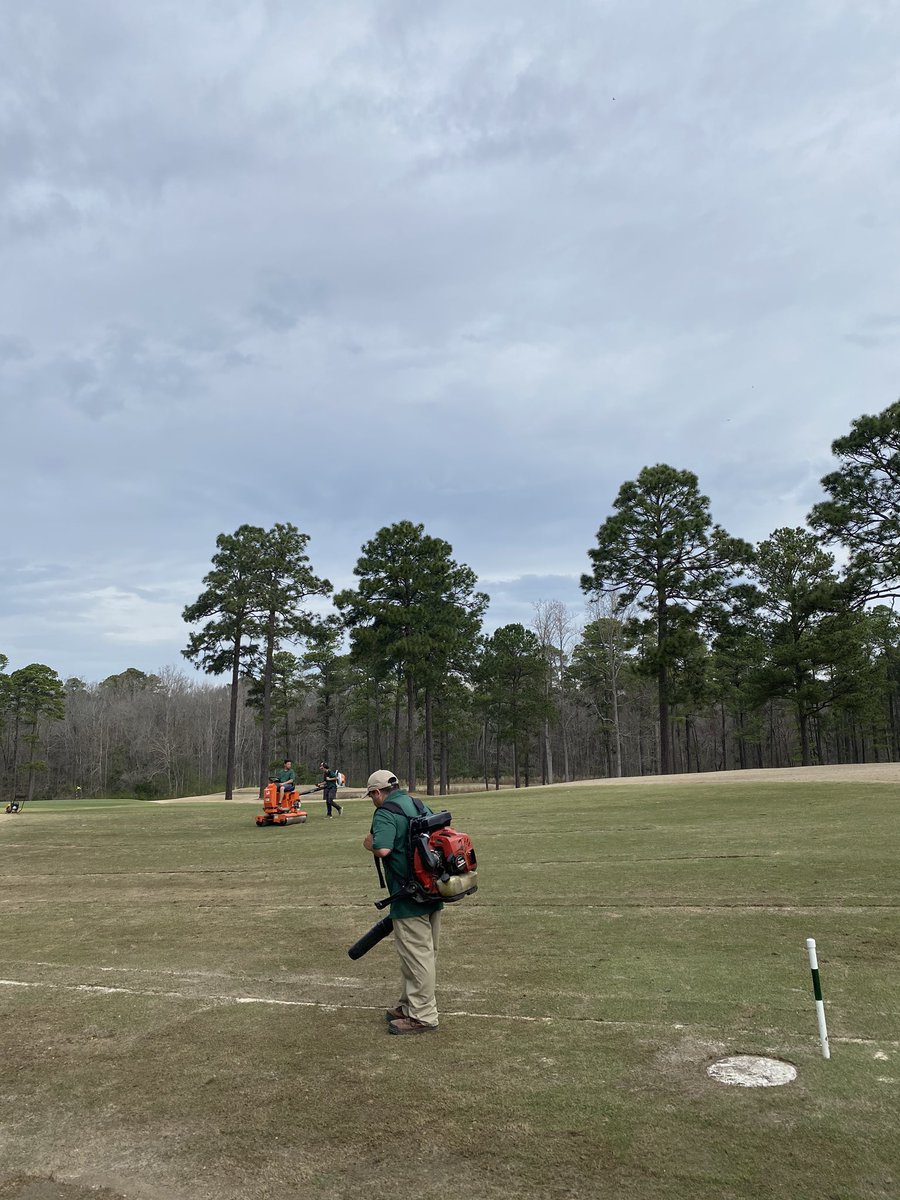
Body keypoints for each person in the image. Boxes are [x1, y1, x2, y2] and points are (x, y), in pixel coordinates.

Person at [362, 769, 442, 1035]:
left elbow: (383, 848)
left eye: (371, 796)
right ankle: (409, 1005)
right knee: (421, 955)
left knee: (417, 958)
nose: (372, 800)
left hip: (408, 896)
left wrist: (369, 843)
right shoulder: (417, 804)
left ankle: (423, 1016)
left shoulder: (385, 812)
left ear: (377, 792)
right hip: (431, 890)